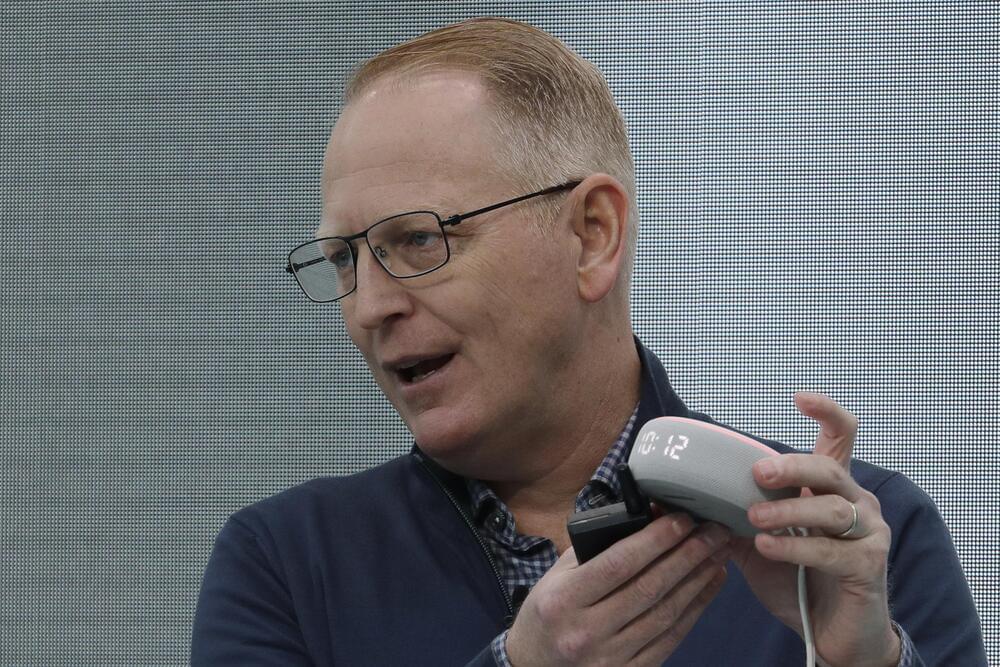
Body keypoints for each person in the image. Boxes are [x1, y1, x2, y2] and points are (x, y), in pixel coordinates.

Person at [191, 18, 985, 666]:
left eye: (419, 239)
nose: (368, 306)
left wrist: (864, 661)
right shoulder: (284, 567)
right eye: (344, 259)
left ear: (592, 234)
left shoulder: (859, 545)